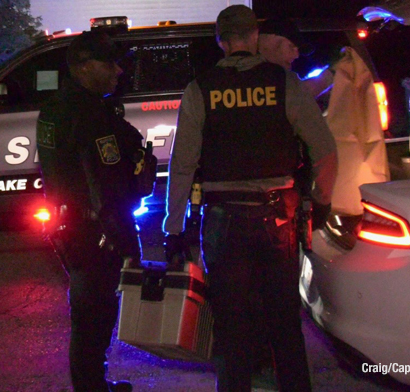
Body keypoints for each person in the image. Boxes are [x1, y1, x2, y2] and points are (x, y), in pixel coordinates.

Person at [163, 5, 337, 392]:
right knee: (284, 323)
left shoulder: (200, 89)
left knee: (231, 326)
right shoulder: (284, 83)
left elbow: (183, 164)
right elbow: (324, 150)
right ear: (254, 37)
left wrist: (173, 227)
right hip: (278, 219)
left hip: (224, 222)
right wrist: (321, 202)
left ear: (221, 42)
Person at [36, 30, 150, 392]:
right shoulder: (89, 114)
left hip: (71, 226)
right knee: (94, 316)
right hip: (95, 229)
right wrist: (126, 240)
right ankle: (91, 387)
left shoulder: (57, 107)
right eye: (110, 63)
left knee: (89, 314)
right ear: (84, 67)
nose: (118, 71)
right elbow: (108, 182)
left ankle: (93, 383)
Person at [258, 17, 335, 98]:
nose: (296, 55)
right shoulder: (250, 74)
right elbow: (292, 96)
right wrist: (331, 75)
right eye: (291, 46)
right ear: (270, 43)